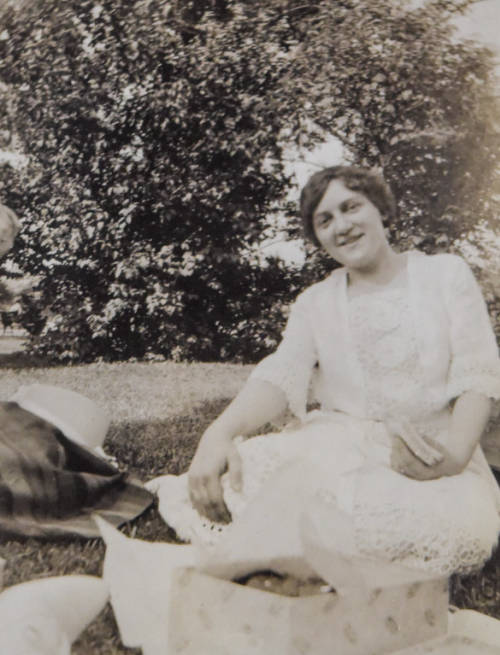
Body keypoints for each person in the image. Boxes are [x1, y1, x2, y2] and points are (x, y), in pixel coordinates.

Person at [149, 165, 500, 583]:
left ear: (381, 209)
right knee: (241, 475)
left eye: (351, 207)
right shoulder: (316, 302)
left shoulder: (444, 274)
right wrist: (218, 433)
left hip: (432, 451)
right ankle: (311, 542)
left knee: (461, 531)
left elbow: (476, 370)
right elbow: (281, 376)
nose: (342, 226)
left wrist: (454, 458)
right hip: (338, 444)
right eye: (325, 220)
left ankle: (298, 542)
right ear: (318, 238)